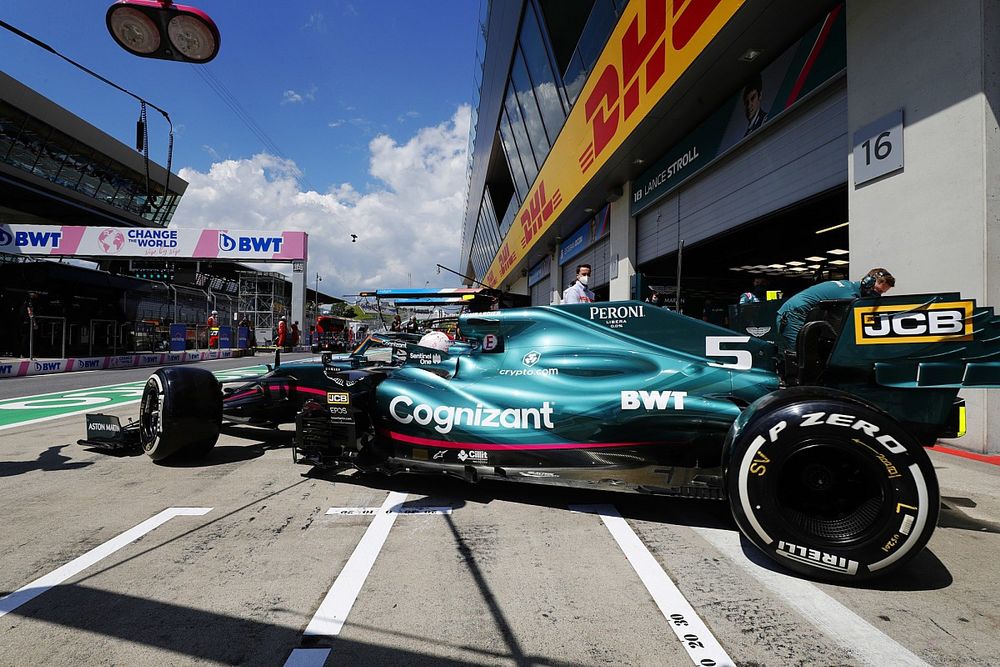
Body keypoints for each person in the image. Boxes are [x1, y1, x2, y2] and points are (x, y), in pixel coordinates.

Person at [776, 267, 895, 358]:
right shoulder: (849, 296)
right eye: (878, 291)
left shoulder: (849, 287)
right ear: (868, 282)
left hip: (801, 313)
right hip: (793, 315)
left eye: (881, 293)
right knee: (800, 355)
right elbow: (847, 326)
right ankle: (795, 388)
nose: (878, 295)